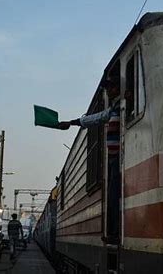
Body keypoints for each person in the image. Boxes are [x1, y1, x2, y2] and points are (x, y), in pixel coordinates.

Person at [59, 75, 121, 244]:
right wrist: (72, 123)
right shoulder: (114, 107)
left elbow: (97, 118)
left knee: (114, 194)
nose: (109, 91)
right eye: (108, 89)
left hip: (119, 158)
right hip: (114, 158)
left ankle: (115, 233)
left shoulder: (122, 105)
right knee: (112, 194)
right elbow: (95, 118)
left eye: (112, 88)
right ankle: (113, 232)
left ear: (118, 88)